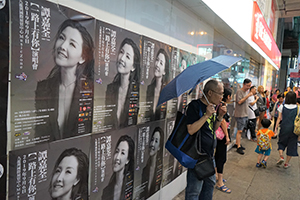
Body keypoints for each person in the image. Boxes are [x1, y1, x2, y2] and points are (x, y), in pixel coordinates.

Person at [35, 19, 94, 140]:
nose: (62, 46)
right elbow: (40, 133)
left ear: (82, 57)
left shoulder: (89, 91)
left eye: (72, 44)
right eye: (61, 38)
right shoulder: (43, 88)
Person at [185, 79, 227, 200]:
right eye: (220, 93)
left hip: (209, 156)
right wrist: (206, 115)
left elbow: (213, 128)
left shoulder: (212, 107)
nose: (221, 97)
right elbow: (191, 130)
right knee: (194, 192)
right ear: (209, 93)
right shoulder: (195, 106)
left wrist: (219, 116)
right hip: (197, 157)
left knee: (209, 186)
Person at [105, 38, 140, 128]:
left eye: (127, 56)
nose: (122, 58)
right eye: (121, 52)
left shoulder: (135, 91)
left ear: (133, 67)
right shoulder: (110, 89)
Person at [102, 135, 135, 200]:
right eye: (117, 151)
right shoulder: (106, 191)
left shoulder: (130, 185)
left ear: (127, 160)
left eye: (122, 153)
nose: (117, 157)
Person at [274, 91, 299, 169]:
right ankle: (286, 163)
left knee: (281, 142)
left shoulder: (282, 106)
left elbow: (279, 118)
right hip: (294, 129)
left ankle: (281, 156)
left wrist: (275, 128)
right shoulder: (298, 108)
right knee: (291, 145)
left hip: (284, 127)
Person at [214, 87, 232, 194]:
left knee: (218, 157)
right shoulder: (222, 106)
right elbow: (223, 122)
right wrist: (227, 136)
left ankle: (217, 176)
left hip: (219, 135)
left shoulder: (220, 104)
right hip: (221, 136)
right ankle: (220, 183)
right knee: (221, 157)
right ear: (228, 96)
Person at [146, 48, 169, 121]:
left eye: (161, 63)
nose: (157, 65)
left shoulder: (166, 91)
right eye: (157, 60)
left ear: (164, 71)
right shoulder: (150, 88)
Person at [141, 127, 164, 198]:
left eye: (156, 141)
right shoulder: (145, 170)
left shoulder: (160, 168)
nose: (152, 144)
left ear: (159, 147)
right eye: (152, 140)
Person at [233, 78, 252, 155]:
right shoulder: (239, 91)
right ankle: (238, 147)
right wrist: (248, 96)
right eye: (247, 85)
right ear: (243, 84)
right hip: (240, 114)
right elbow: (239, 101)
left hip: (244, 113)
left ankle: (238, 143)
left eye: (250, 86)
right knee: (240, 131)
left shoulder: (245, 92)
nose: (248, 87)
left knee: (241, 130)